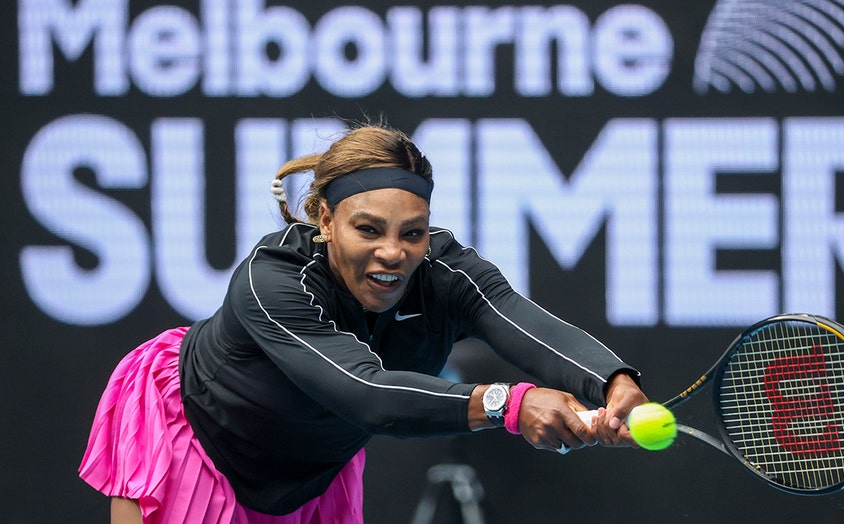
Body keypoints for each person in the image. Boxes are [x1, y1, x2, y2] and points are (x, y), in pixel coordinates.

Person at [79, 121, 649, 523]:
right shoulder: (271, 280)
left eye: (413, 233)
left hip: (314, 472)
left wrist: (611, 381)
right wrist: (509, 404)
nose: (394, 253)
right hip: (196, 439)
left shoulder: (446, 273)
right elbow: (366, 393)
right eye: (368, 230)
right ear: (326, 220)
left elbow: (523, 323)